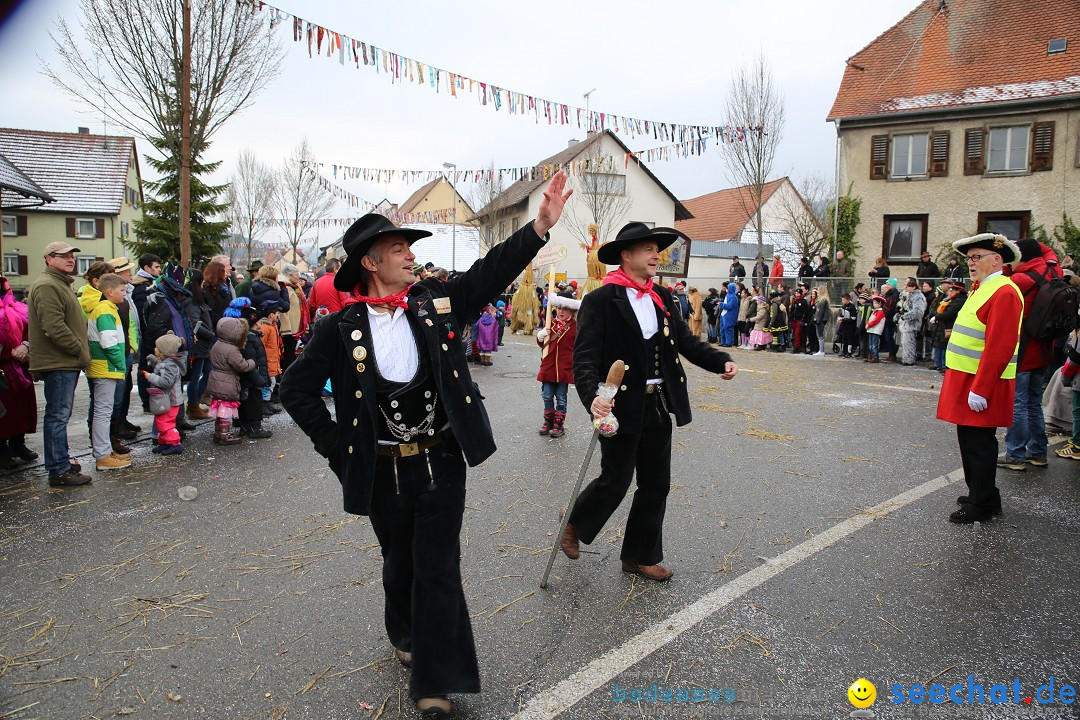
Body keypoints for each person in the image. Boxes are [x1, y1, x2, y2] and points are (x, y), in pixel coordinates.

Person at [280, 171, 572, 716]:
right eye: (398, 248)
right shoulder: (337, 329)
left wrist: (538, 229)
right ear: (370, 262)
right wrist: (338, 447)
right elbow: (293, 390)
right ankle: (404, 629)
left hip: (441, 460)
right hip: (382, 470)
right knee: (400, 560)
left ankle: (436, 681)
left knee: (437, 564)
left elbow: (488, 275)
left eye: (409, 247)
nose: (410, 256)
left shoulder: (435, 303)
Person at [562, 222, 738, 582]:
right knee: (617, 478)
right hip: (620, 405)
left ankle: (640, 556)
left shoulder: (664, 297)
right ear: (626, 256)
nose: (657, 254)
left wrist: (720, 360)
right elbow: (584, 358)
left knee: (657, 484)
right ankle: (575, 524)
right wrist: (593, 397)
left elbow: (686, 344)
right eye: (647, 249)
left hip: (658, 403)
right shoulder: (600, 300)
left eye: (657, 249)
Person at [937, 233, 1023, 523]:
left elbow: (1000, 345)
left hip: (982, 381)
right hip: (968, 378)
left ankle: (981, 504)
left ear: (996, 259)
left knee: (979, 444)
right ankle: (981, 492)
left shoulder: (1004, 292)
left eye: (977, 257)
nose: (970, 263)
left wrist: (982, 388)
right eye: (969, 258)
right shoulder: (984, 288)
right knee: (971, 441)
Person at [27, 241, 93, 486]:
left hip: (65, 360)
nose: (70, 259)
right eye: (63, 256)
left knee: (59, 416)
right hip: (59, 361)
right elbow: (53, 327)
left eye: (71, 256)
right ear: (48, 259)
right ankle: (58, 470)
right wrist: (78, 350)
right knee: (57, 416)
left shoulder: (59, 284)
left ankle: (62, 464)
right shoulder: (47, 285)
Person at [999, 239, 1060, 471]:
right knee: (1035, 404)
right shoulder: (1053, 270)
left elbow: (996, 281)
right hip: (1045, 349)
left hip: (1024, 349)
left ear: (1018, 257)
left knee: (1019, 404)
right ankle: (1038, 453)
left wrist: (1006, 259)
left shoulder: (1020, 279)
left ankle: (1015, 453)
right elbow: (1046, 250)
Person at [86, 273, 131, 471]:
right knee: (103, 412)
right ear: (110, 291)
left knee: (104, 411)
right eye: (121, 290)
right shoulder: (104, 310)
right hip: (106, 367)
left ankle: (105, 451)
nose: (124, 294)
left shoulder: (107, 308)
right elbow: (109, 342)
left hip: (106, 366)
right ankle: (103, 455)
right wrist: (120, 364)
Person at [0, 275, 38, 469]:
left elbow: (29, 328)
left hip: (19, 366)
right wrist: (7, 351)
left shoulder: (14, 306)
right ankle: (2, 451)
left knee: (21, 408)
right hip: (3, 367)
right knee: (3, 412)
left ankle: (18, 444)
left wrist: (25, 345)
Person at [209, 303, 258, 445]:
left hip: (215, 379)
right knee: (225, 411)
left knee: (219, 410)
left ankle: (218, 433)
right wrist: (251, 362)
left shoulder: (217, 344)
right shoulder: (232, 350)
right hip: (227, 382)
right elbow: (240, 366)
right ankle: (224, 435)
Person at [535, 294, 579, 438]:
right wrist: (540, 337)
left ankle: (559, 425)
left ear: (571, 310)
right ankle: (548, 421)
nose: (561, 311)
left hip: (564, 369)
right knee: (546, 395)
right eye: (559, 308)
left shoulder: (575, 327)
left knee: (561, 397)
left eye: (565, 309)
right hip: (548, 367)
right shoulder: (550, 324)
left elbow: (579, 347)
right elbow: (544, 345)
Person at [142, 331, 186, 455]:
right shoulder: (168, 363)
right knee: (160, 421)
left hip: (170, 400)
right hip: (166, 399)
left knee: (165, 423)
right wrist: (154, 360)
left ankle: (174, 443)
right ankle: (164, 442)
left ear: (164, 351)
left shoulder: (170, 365)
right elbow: (161, 368)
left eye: (157, 347)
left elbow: (166, 381)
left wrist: (150, 377)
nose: (155, 348)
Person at [930, 283, 966, 372]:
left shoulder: (959, 301)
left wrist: (937, 317)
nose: (951, 292)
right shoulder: (952, 300)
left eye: (953, 290)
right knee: (939, 344)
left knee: (945, 346)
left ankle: (944, 365)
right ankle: (938, 364)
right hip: (943, 325)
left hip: (949, 326)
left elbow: (950, 313)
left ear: (958, 291)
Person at [899, 278, 927, 366]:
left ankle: (909, 359)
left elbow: (918, 311)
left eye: (908, 286)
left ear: (914, 287)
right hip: (907, 322)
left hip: (912, 323)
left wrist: (905, 316)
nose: (906, 288)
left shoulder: (917, 297)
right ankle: (906, 358)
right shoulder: (909, 296)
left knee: (909, 341)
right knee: (905, 341)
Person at [865, 296, 886, 362]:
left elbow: (876, 321)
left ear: (880, 304)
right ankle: (870, 355)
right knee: (870, 344)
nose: (874, 304)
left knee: (874, 344)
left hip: (876, 330)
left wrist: (869, 325)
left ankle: (875, 356)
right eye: (874, 303)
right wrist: (867, 324)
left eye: (876, 303)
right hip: (871, 329)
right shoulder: (874, 311)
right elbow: (870, 319)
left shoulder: (880, 312)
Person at [718, 283, 738, 347]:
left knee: (728, 329)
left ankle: (728, 342)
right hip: (724, 314)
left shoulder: (733, 297)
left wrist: (721, 304)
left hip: (729, 315)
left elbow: (730, 306)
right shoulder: (727, 295)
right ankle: (723, 342)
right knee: (722, 329)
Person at [813, 284, 831, 356]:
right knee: (819, 335)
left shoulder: (824, 300)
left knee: (820, 335)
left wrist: (818, 320)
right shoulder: (820, 300)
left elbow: (821, 311)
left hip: (822, 319)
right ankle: (820, 350)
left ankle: (821, 350)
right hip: (819, 318)